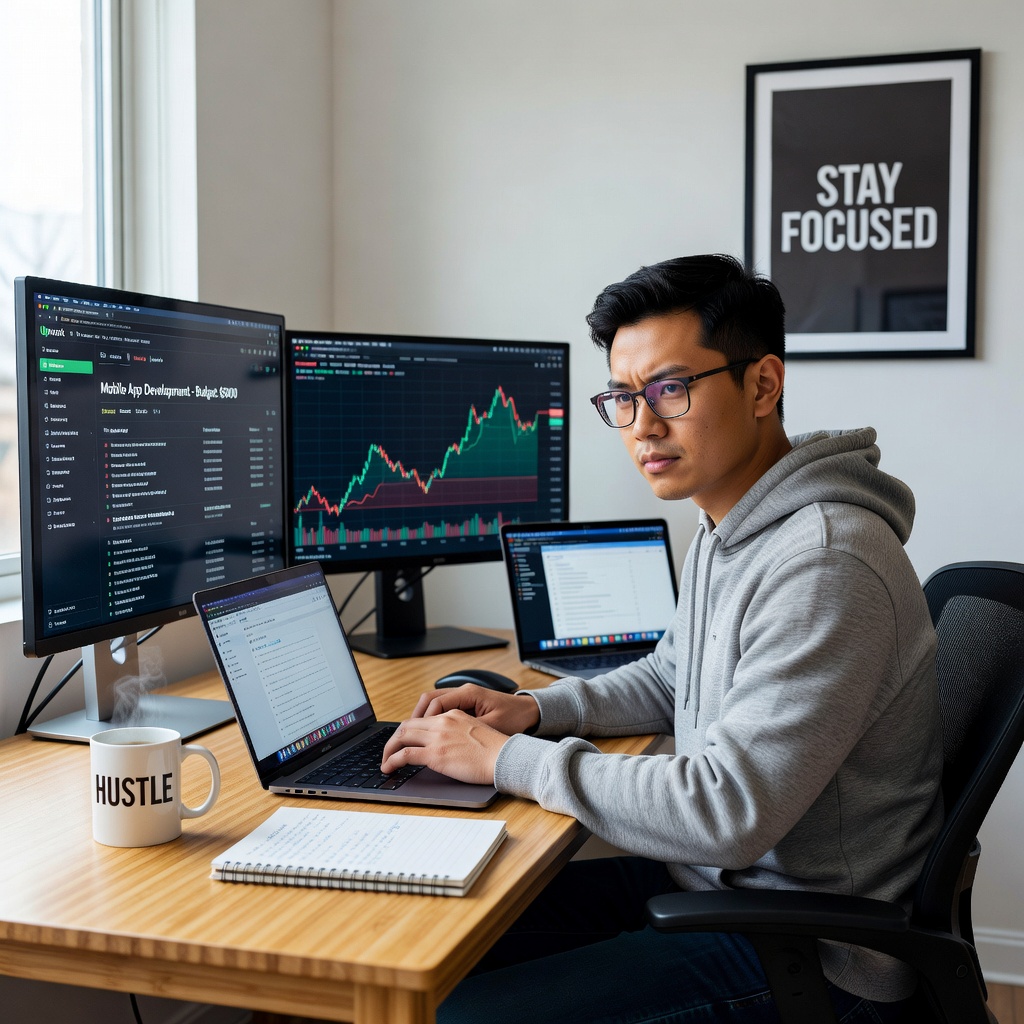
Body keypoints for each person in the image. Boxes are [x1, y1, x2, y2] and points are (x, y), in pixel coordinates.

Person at [381, 253, 943, 1023]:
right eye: (623, 396)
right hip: (712, 887)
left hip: (806, 952)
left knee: (459, 1012)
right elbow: (671, 676)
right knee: (427, 933)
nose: (642, 425)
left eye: (671, 389)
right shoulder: (728, 525)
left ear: (762, 385)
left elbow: (728, 810)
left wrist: (507, 761)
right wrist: (538, 713)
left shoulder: (822, 561)